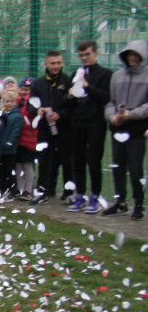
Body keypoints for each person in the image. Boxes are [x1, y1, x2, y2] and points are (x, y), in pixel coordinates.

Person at [102, 40, 148, 221]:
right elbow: (110, 102)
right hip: (117, 129)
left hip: (137, 130)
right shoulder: (117, 76)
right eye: (130, 54)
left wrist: (131, 114)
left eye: (136, 55)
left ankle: (138, 204)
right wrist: (112, 116)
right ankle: (120, 203)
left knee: (135, 169)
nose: (133, 58)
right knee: (118, 167)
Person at [66, 40, 113, 215]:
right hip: (76, 124)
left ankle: (95, 197)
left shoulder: (105, 74)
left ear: (96, 53)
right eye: (81, 55)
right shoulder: (76, 73)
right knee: (77, 162)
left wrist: (86, 85)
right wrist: (69, 95)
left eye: (87, 54)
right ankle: (80, 196)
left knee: (94, 162)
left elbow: (106, 97)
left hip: (95, 124)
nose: (84, 58)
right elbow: (68, 101)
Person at [30, 50, 73, 205]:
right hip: (44, 127)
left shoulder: (67, 81)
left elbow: (72, 106)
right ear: (46, 64)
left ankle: (68, 192)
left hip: (63, 127)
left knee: (66, 159)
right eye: (53, 63)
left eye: (59, 63)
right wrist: (38, 110)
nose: (56, 66)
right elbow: (30, 104)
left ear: (62, 63)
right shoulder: (38, 83)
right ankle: (43, 191)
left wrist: (60, 114)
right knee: (44, 159)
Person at [15, 78, 39, 200]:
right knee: (18, 165)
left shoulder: (33, 103)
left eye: (27, 89)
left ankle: (28, 190)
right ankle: (20, 188)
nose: (24, 92)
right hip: (18, 139)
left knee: (28, 165)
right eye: (22, 89)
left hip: (29, 139)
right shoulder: (18, 102)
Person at [0, 90, 23, 200]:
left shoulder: (17, 116)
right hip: (0, 148)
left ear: (15, 102)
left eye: (12, 101)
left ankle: (12, 190)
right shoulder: (2, 114)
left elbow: (15, 133)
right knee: (2, 170)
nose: (9, 103)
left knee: (10, 170)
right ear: (3, 102)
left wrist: (8, 144)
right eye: (7, 101)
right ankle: (3, 189)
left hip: (10, 149)